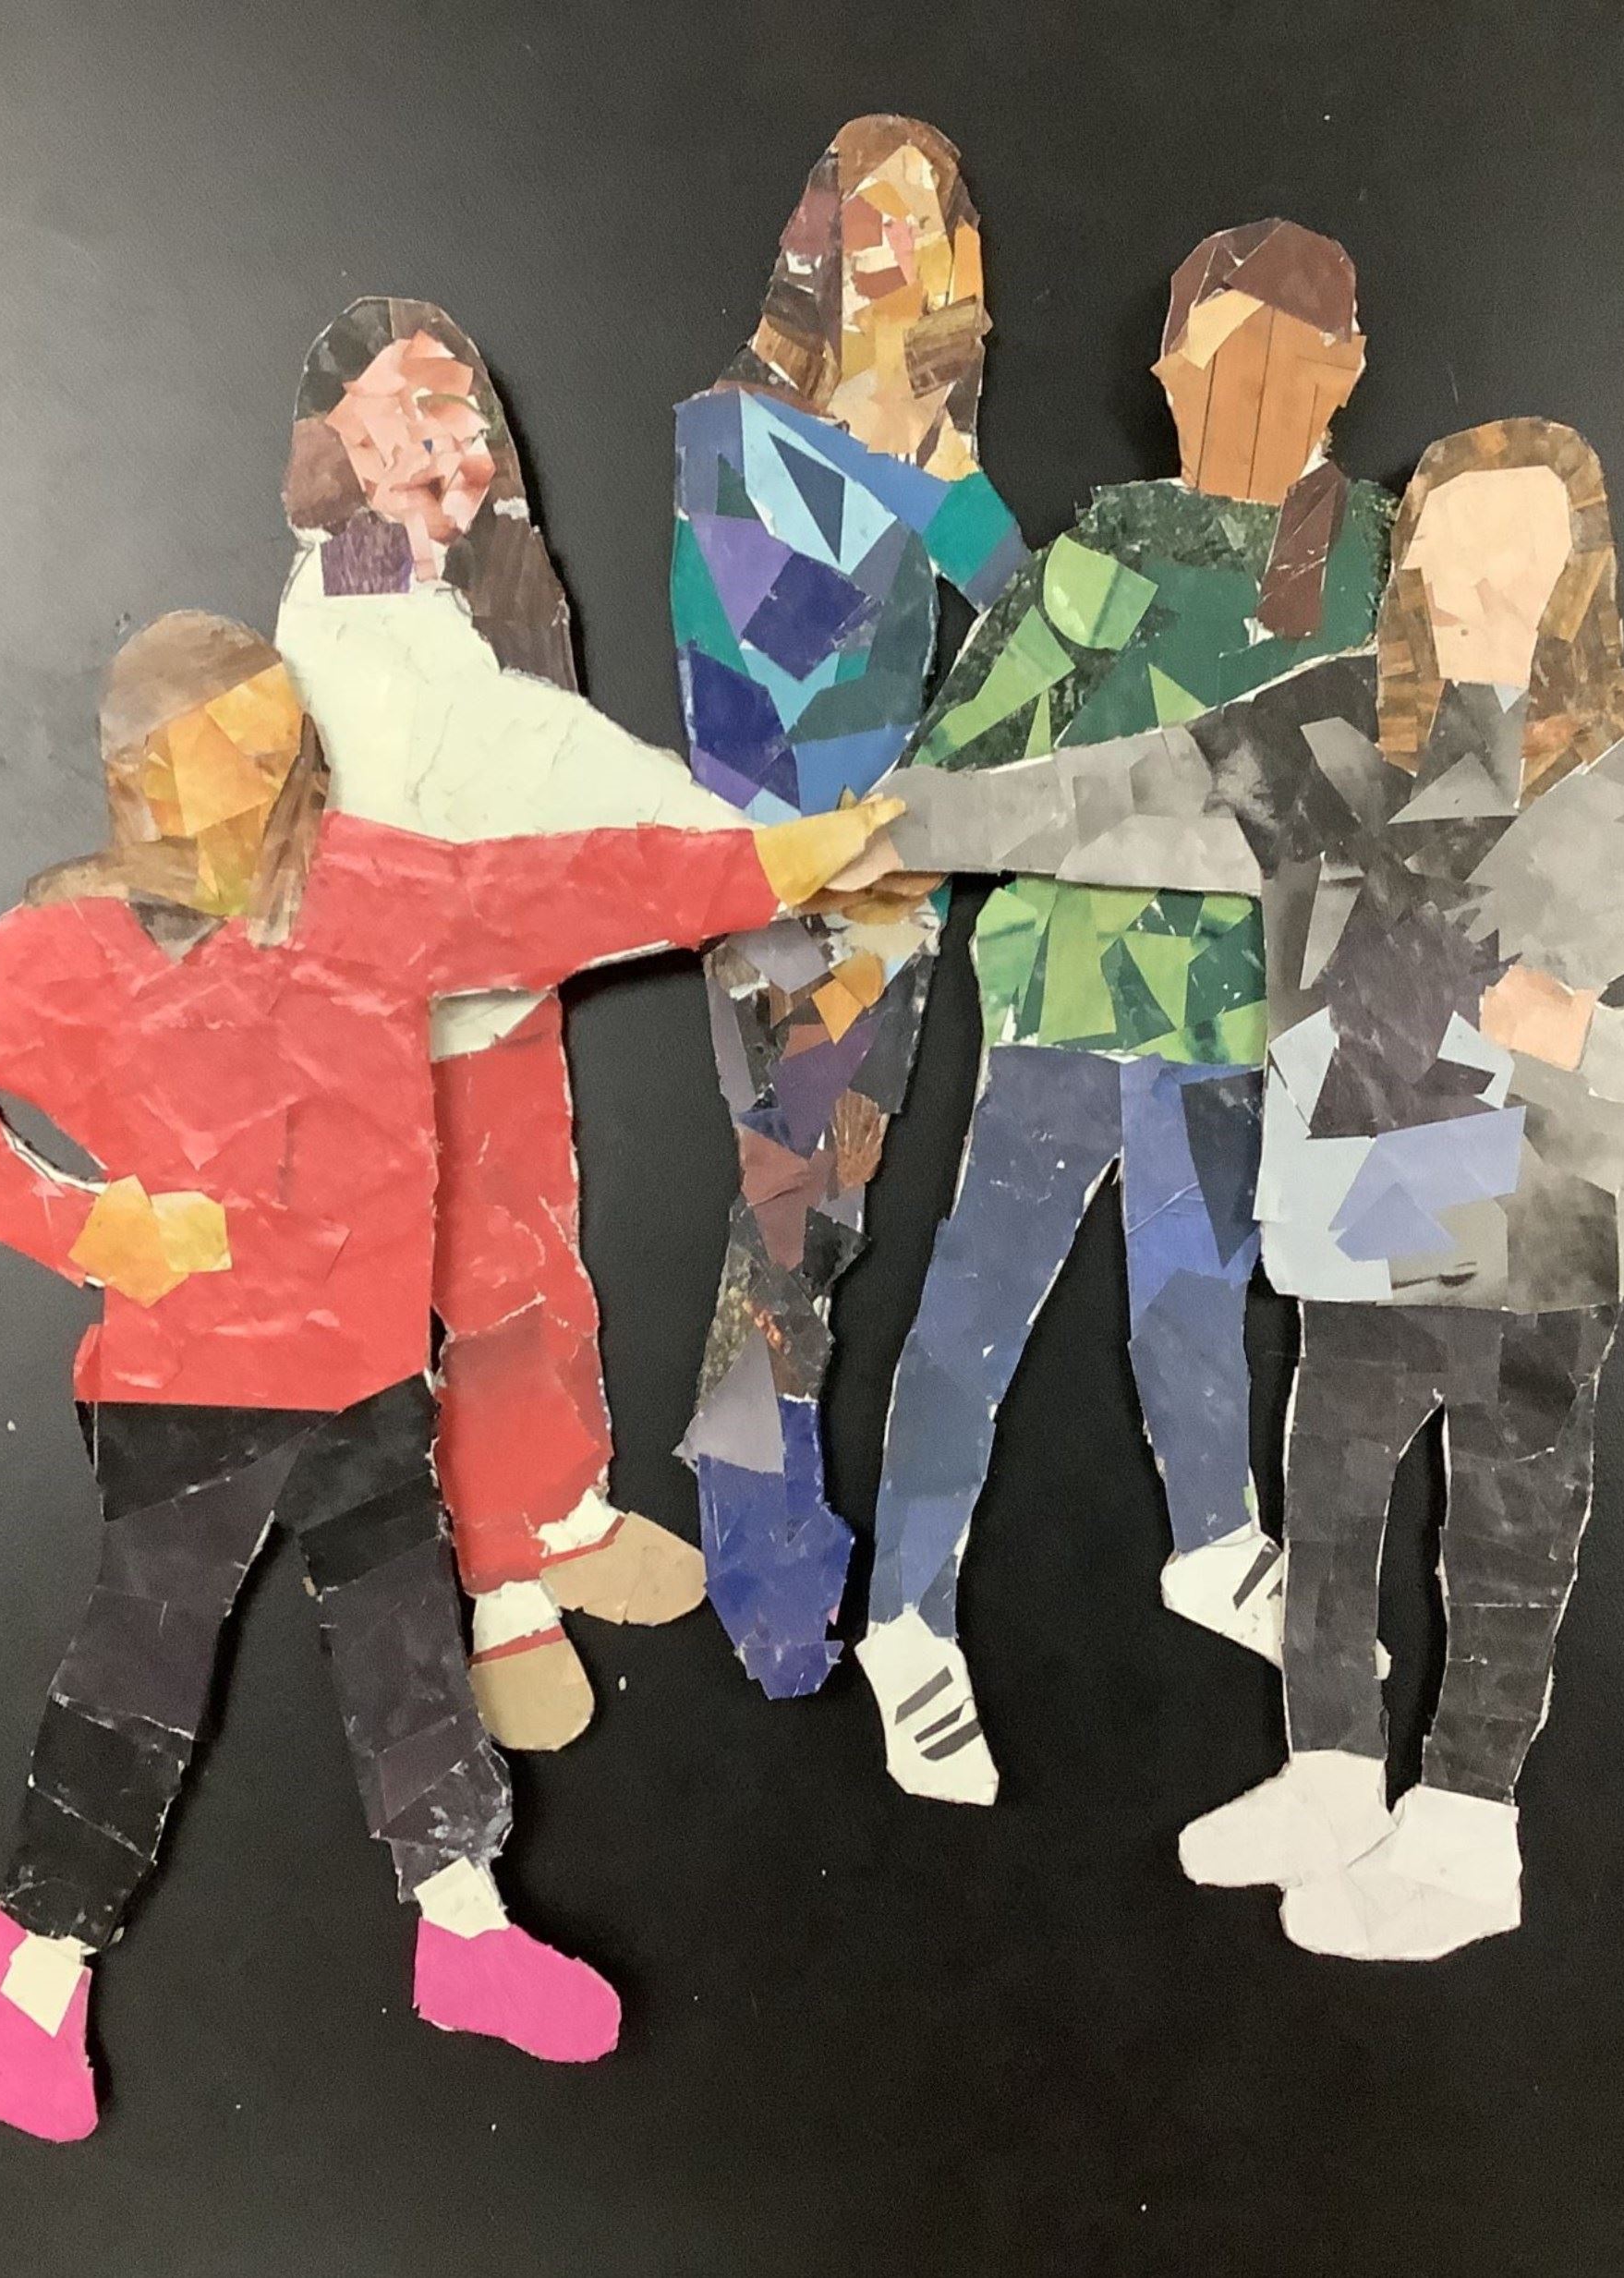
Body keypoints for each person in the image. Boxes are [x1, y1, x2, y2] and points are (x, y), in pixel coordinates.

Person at [0, 612, 892, 2137]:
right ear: (140, 778)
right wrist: (81, 1223)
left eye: (278, 742)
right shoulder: (68, 944)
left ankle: (464, 1925)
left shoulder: (366, 888)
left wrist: (771, 865)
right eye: (226, 752)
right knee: (147, 1664)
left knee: (407, 1640)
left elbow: (555, 889)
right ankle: (33, 1951)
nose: (269, 776)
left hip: (370, 1368)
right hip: (189, 1384)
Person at [875, 417, 1624, 1950]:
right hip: (1364, 1199)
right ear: (1405, 565)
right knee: (1331, 1503)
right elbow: (1119, 794)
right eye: (1446, 556)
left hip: (1544, 1225)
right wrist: (896, 824)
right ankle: (1331, 1776)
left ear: (1581, 578)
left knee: (1507, 1524)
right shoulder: (1333, 727)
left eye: (1517, 562)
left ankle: (1468, 1831)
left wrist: (1618, 1040)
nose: (1476, 593)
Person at [854, 222, 1388, 1803]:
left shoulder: (1377, 561)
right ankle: (903, 1611)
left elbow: (1425, 773)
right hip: (1076, 994)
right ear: (1164, 375)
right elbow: (948, 769)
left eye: (1285, 365)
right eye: (1216, 365)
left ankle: (1215, 1537)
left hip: (1253, 1010)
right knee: (982, 1292)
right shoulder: (1108, 553)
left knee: (1202, 1280)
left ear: (1347, 376)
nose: (1247, 399)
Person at [274, 297, 744, 1752]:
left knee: (545, 1254)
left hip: (504, 996)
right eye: (403, 420)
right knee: (476, 1290)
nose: (443, 450)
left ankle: (567, 1504)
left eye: (461, 417)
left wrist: (695, 840)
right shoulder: (352, 594)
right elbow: (498, 749)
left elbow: (525, 738)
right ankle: (498, 1583)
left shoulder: (452, 589)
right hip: (403, 1024)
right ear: (332, 446)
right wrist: (706, 843)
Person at [670, 115, 1027, 1699]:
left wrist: (941, 481)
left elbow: (1033, 627)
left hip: (899, 899)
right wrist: (902, 471)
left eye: (925, 231)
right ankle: (757, 1539)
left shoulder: (931, 451)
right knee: (788, 1213)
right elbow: (750, 688)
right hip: (781, 895)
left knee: (830, 1215)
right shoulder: (733, 428)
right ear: (815, 245)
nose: (894, 258)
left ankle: (767, 1508)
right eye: (868, 223)